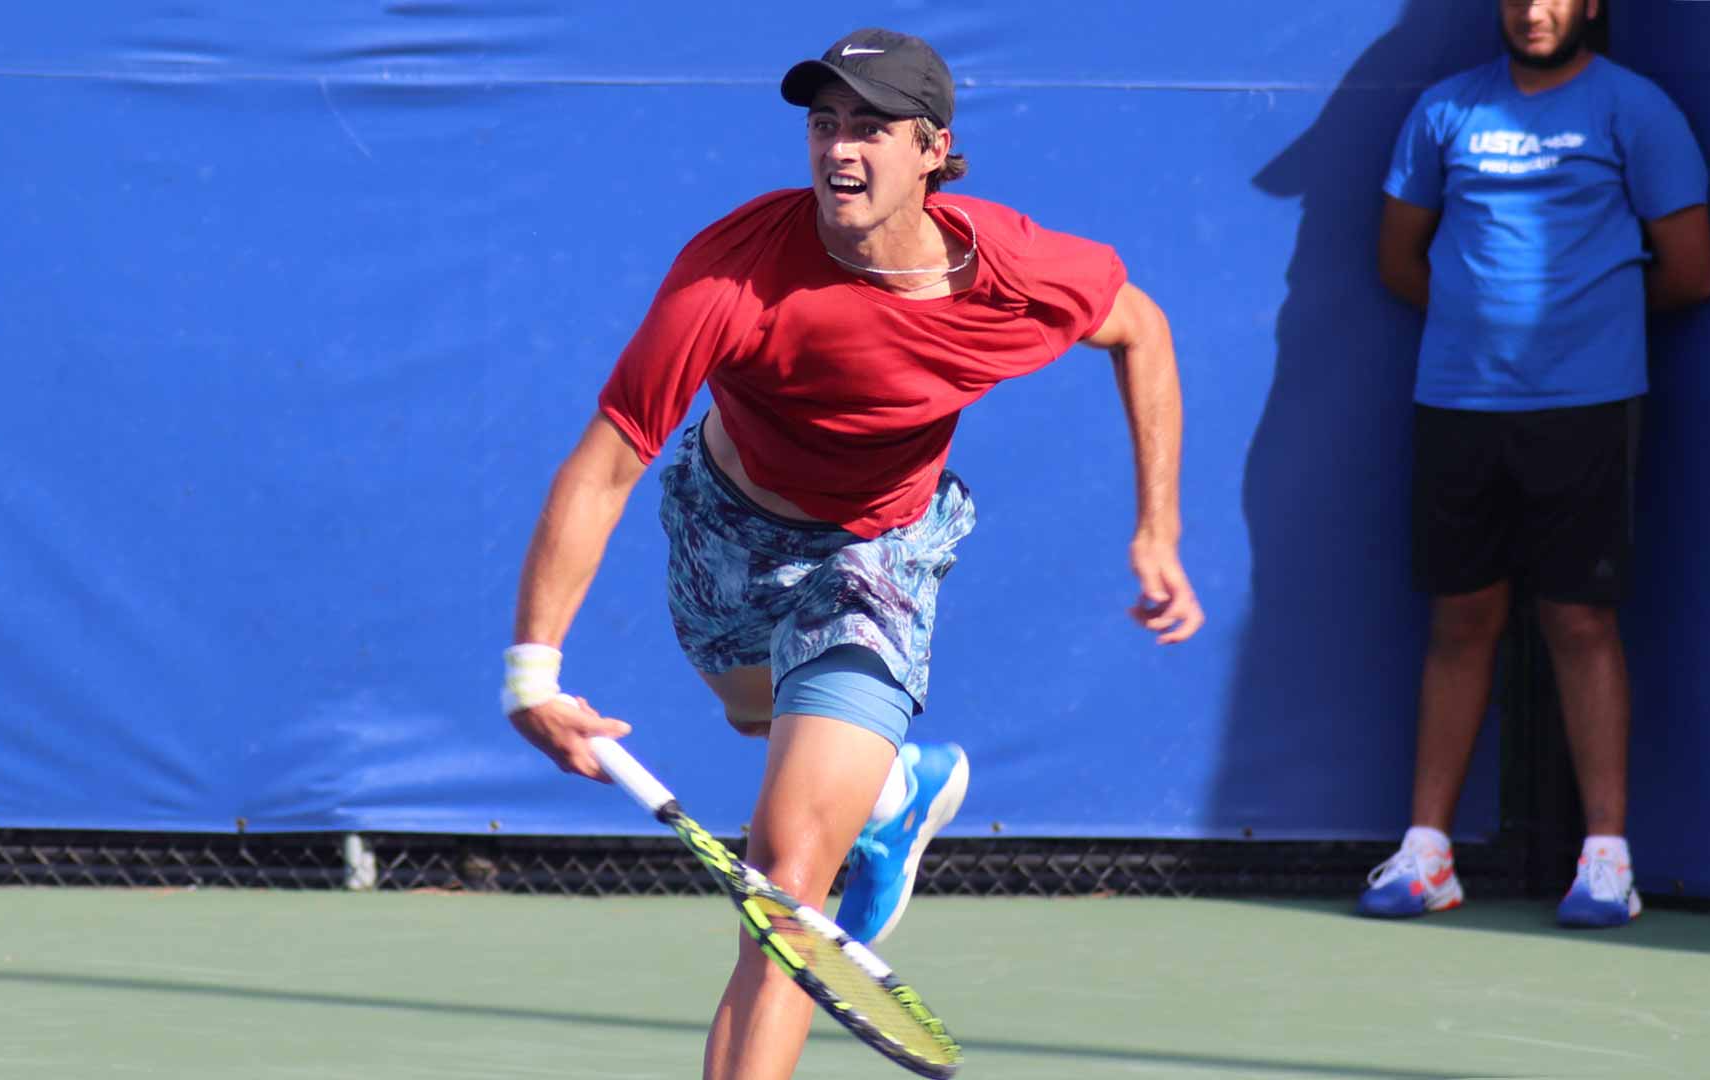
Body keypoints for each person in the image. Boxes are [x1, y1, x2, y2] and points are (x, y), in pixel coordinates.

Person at [503, 27, 1203, 1078]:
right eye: (824, 124)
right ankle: (892, 795)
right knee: (754, 713)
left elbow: (1140, 328)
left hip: (878, 554)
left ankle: (848, 807)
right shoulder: (730, 276)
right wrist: (532, 673)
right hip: (726, 529)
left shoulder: (1013, 272)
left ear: (933, 149)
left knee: (784, 876)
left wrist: (1160, 527)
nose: (840, 149)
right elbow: (606, 464)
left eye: (870, 128)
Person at [1361, 0, 1710, 928]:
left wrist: (1580, 332)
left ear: (1591, 4)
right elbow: (1401, 255)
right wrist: (1483, 332)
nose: (1534, 9)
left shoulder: (1635, 109)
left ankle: (1606, 859)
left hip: (1590, 408)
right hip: (1459, 403)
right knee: (1460, 617)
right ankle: (1429, 853)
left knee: (1581, 621)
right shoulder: (1445, 110)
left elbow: (1691, 270)